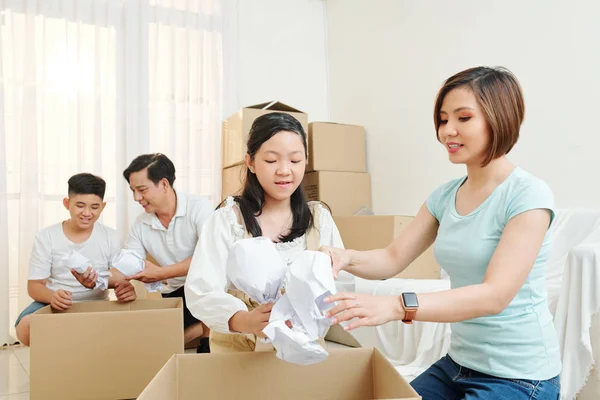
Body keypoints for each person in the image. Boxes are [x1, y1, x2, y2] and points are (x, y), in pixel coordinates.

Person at [321, 66, 561, 399]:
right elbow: (391, 258)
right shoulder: (445, 196)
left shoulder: (528, 195)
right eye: (443, 119)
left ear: (500, 118)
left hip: (519, 377)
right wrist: (344, 256)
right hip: (458, 365)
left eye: (463, 118)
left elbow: (495, 295)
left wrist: (396, 306)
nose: (448, 130)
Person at [184, 112, 353, 352]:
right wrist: (243, 320)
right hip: (239, 355)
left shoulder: (319, 219)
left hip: (304, 357)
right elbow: (201, 290)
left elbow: (339, 283)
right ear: (250, 162)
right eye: (272, 161)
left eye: (295, 161)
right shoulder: (228, 220)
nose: (284, 171)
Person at [15, 173, 137, 346]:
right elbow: (34, 286)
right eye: (80, 206)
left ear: (102, 207)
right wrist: (53, 297)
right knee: (26, 327)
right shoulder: (47, 236)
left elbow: (119, 277)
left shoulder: (110, 236)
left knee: (132, 327)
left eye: (94, 207)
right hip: (54, 303)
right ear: (67, 204)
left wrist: (123, 289)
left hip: (96, 304)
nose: (87, 213)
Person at [122, 153, 213, 353]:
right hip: (177, 294)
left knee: (207, 283)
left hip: (208, 287)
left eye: (141, 190)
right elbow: (127, 263)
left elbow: (210, 258)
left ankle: (206, 339)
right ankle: (200, 327)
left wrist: (161, 273)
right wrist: (101, 279)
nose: (137, 198)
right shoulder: (141, 224)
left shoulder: (199, 208)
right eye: (133, 191)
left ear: (164, 184)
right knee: (153, 342)